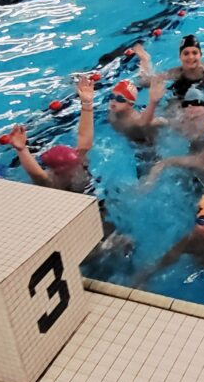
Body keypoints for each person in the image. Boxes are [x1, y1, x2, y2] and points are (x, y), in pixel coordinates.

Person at [9, 76, 126, 251]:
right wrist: (21, 150)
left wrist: (87, 104)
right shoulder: (49, 181)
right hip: (71, 217)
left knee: (121, 239)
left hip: (93, 203)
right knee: (100, 248)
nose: (79, 166)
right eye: (73, 167)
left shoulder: (77, 160)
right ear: (58, 172)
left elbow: (84, 139)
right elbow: (35, 173)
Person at [133, 34, 204, 99]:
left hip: (203, 94)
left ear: (200, 55)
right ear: (180, 57)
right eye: (186, 53)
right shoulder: (175, 73)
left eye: (194, 53)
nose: (191, 57)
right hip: (179, 97)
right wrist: (145, 61)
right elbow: (145, 82)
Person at [107, 75, 167, 142]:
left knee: (160, 121)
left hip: (145, 142)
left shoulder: (132, 119)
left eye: (120, 99)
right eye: (111, 96)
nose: (113, 100)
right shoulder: (112, 111)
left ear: (130, 104)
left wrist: (153, 102)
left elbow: (143, 122)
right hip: (131, 139)